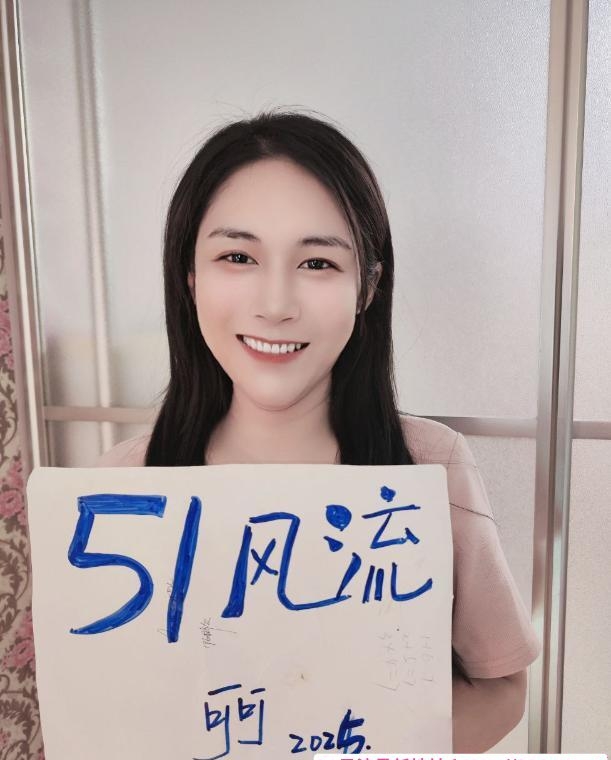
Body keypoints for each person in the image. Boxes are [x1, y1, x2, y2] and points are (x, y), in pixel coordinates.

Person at [98, 107, 541, 751]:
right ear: (190, 278)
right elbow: (100, 704)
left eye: (317, 263)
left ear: (368, 287)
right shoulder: (119, 486)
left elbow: (501, 689)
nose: (275, 304)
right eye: (237, 256)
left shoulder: (431, 464)